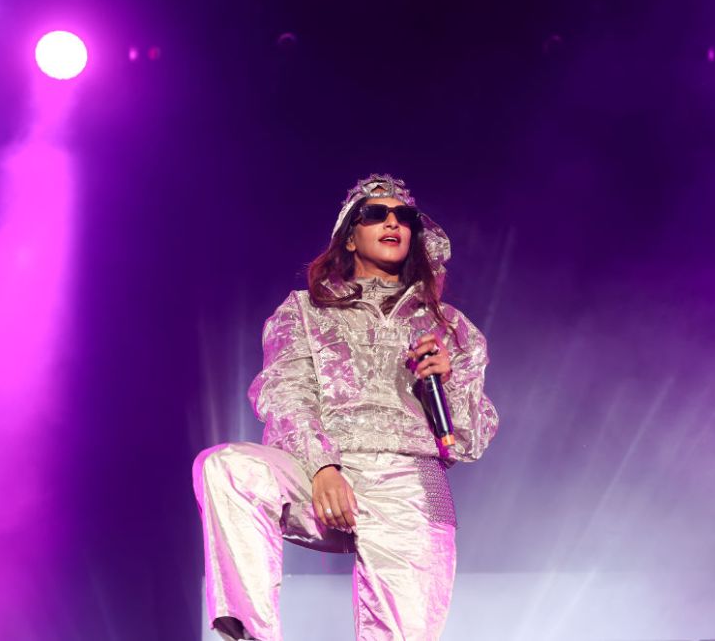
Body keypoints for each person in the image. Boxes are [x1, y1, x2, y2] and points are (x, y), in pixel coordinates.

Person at [193, 174, 499, 640]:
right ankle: (251, 634)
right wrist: (322, 468)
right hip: (324, 475)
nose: (392, 222)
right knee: (228, 467)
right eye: (376, 214)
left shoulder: (451, 327)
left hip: (410, 484)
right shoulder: (303, 311)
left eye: (405, 217)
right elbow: (285, 393)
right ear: (350, 237)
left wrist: (448, 381)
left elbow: (470, 442)